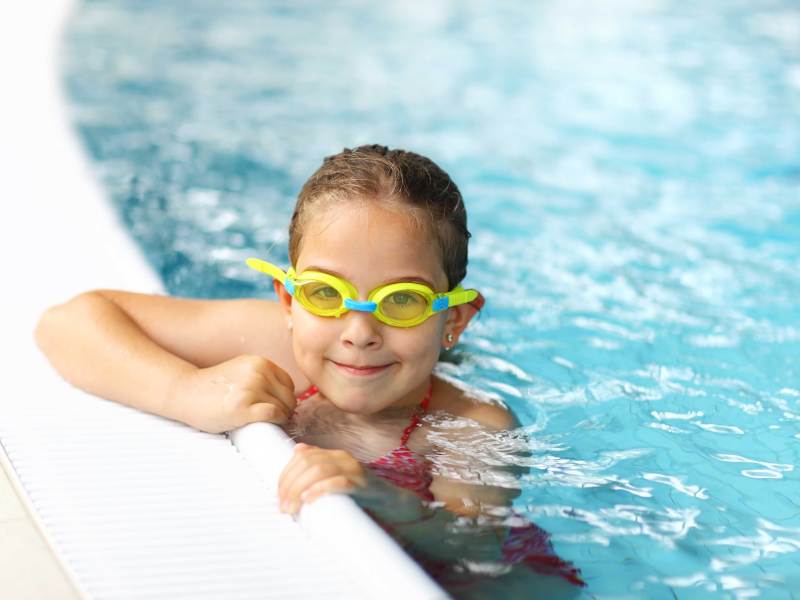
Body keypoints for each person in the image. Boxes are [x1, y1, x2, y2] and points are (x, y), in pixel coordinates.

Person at [34, 144, 585, 592]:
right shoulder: (278, 339)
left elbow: (475, 545)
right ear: (289, 301)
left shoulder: (470, 425)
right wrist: (186, 391)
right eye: (326, 293)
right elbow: (70, 322)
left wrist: (380, 495)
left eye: (402, 301)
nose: (358, 331)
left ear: (454, 320)